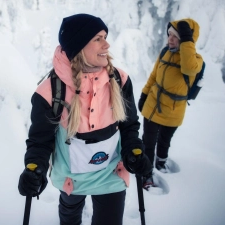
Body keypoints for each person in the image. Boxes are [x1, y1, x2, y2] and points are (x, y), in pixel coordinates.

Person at [18, 13, 152, 225]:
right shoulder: (50, 91)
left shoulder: (119, 80)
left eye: (105, 37)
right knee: (69, 218)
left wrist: (133, 150)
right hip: (72, 179)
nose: (106, 45)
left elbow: (129, 126)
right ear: (78, 46)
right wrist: (35, 168)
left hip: (111, 175)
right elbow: (40, 141)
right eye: (98, 39)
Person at [137, 18, 203, 188]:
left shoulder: (195, 60)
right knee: (148, 142)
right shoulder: (165, 52)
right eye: (169, 35)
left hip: (174, 110)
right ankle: (146, 173)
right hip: (154, 105)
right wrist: (144, 94)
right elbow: (153, 76)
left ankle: (160, 163)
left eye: (176, 36)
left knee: (164, 141)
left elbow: (188, 68)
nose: (170, 39)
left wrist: (187, 41)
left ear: (188, 40)